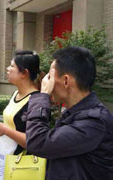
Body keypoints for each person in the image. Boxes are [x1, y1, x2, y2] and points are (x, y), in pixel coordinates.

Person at [25, 46, 113, 179]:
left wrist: (42, 97)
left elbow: (38, 142)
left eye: (50, 77)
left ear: (66, 80)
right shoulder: (77, 113)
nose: (46, 82)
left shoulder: (95, 121)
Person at [0, 50, 43, 155]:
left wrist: (5, 130)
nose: (8, 69)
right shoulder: (15, 94)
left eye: (12, 66)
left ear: (24, 73)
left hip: (22, 164)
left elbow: (34, 141)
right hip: (6, 156)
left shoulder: (37, 101)